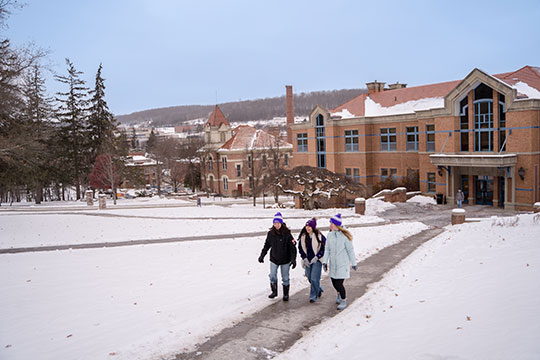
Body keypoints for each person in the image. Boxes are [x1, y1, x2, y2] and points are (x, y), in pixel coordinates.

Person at [258, 212, 297, 301]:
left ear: (281, 223)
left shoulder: (287, 233)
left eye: (278, 223)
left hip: (285, 259)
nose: (276, 225)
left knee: (285, 277)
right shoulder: (271, 234)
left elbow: (292, 248)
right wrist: (262, 255)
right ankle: (274, 291)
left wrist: (293, 259)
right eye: (275, 223)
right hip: (274, 259)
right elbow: (267, 245)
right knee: (272, 275)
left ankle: (286, 294)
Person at [322, 213, 357, 310]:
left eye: (331, 223)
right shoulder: (330, 235)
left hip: (342, 264)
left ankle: (344, 299)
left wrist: (354, 263)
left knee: (339, 283)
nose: (330, 225)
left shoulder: (344, 236)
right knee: (334, 282)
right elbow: (327, 249)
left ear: (336, 225)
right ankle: (338, 294)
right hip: (333, 264)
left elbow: (350, 250)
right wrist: (325, 262)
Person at [298, 218, 326, 303]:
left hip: (317, 260)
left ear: (313, 227)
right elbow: (300, 248)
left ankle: (313, 296)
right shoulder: (303, 237)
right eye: (307, 226)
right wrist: (304, 258)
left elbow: (323, 248)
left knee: (314, 278)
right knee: (309, 276)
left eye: (309, 226)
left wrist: (317, 257)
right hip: (308, 260)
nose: (307, 228)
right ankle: (319, 288)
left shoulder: (319, 236)